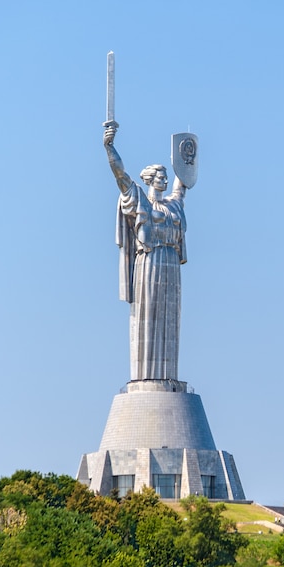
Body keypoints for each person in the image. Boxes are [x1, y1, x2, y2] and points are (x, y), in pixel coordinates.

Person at [103, 126, 187, 382]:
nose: (164, 178)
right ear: (149, 179)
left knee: (170, 321)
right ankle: (146, 377)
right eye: (160, 175)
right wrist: (109, 148)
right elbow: (121, 176)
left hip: (171, 265)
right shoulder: (139, 199)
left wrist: (187, 157)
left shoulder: (173, 204)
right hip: (148, 262)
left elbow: (183, 181)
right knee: (148, 317)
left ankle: (168, 376)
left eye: (165, 175)